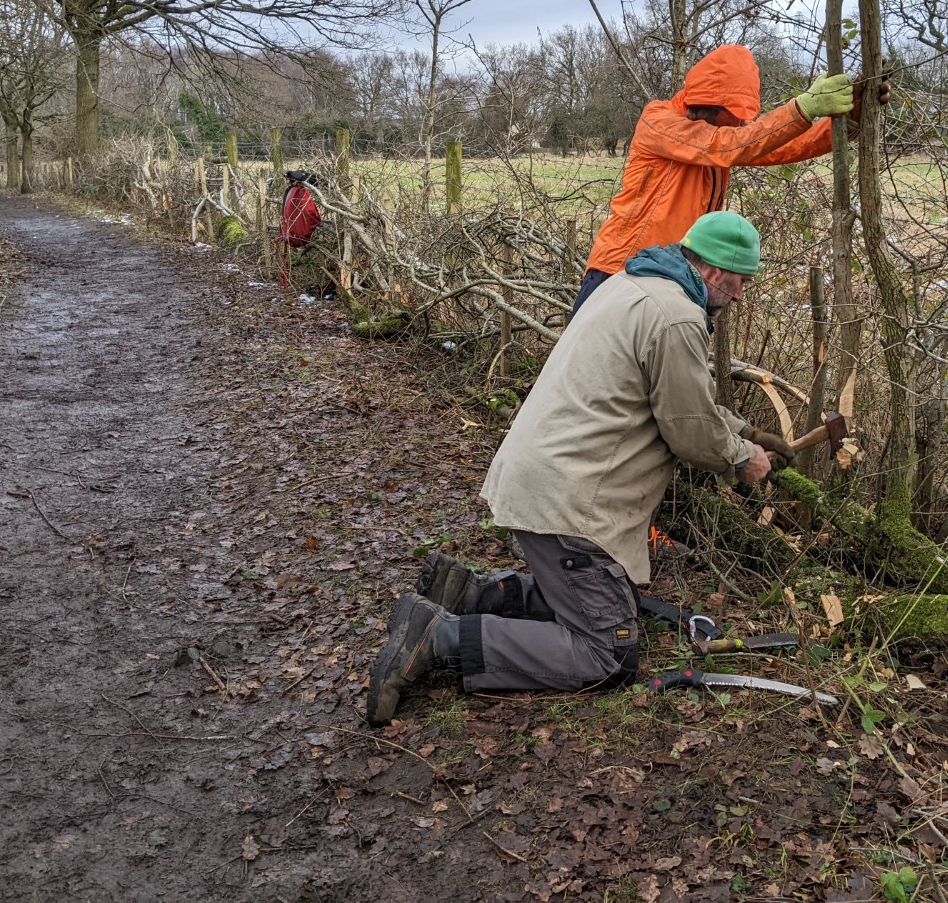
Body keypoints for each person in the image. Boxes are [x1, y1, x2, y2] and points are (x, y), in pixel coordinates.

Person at [367, 211, 797, 724]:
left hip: (543, 477)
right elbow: (690, 432)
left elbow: (682, 397)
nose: (742, 294)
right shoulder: (678, 316)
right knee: (606, 650)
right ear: (714, 272)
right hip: (574, 503)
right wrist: (740, 457)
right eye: (742, 280)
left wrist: (746, 432)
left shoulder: (632, 285)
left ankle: (466, 593)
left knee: (589, 603)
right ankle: (436, 638)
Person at [570, 44, 887, 317]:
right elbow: (729, 144)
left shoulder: (724, 138)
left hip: (672, 275)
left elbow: (781, 146)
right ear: (708, 105)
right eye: (734, 113)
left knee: (651, 380)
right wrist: (802, 108)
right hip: (620, 271)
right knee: (588, 372)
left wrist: (851, 118)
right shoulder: (659, 121)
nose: (742, 121)